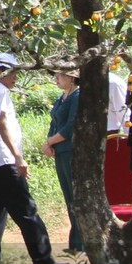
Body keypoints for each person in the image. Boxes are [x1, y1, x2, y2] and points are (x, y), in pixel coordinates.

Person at [0, 54, 70, 264]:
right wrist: (18, 157)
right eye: (13, 72)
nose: (16, 77)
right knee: (27, 210)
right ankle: (43, 259)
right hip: (3, 160)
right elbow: (1, 123)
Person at [43, 67, 83, 254]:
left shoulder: (77, 96)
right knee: (69, 197)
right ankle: (75, 242)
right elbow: (54, 122)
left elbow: (71, 125)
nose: (57, 78)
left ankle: (81, 242)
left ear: (72, 77)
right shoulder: (63, 97)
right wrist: (49, 142)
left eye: (60, 75)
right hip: (60, 152)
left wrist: (51, 141)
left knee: (76, 196)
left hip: (72, 151)